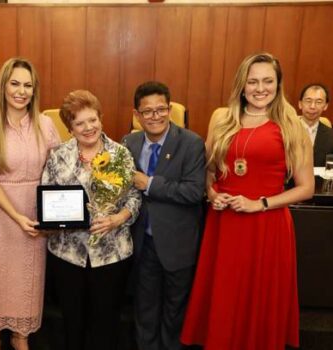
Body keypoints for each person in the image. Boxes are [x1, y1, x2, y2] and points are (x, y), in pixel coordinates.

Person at [181, 52, 314, 350]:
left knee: (260, 299)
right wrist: (213, 193)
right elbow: (209, 171)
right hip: (225, 223)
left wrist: (260, 203)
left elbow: (306, 188)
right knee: (226, 297)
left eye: (268, 81)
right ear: (242, 85)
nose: (260, 88)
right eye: (252, 81)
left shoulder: (292, 125)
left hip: (268, 225)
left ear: (279, 84)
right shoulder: (222, 118)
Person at [0, 57, 60, 350]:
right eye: (15, 83)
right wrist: (17, 217)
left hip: (33, 221)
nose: (21, 91)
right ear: (3, 86)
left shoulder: (46, 125)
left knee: (24, 294)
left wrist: (52, 218)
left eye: (28, 85)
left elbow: (60, 172)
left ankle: (21, 341)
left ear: (35, 90)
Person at [41, 90, 141, 350]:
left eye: (92, 120)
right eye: (79, 123)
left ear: (101, 119)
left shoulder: (121, 154)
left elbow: (134, 197)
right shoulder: (58, 156)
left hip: (112, 254)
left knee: (105, 323)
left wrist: (117, 219)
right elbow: (46, 198)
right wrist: (52, 222)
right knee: (72, 322)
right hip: (68, 255)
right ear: (70, 128)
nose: (88, 128)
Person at [122, 81, 206, 350]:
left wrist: (149, 184)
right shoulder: (129, 143)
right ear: (137, 115)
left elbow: (194, 192)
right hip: (142, 244)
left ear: (170, 110)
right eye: (147, 111)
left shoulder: (191, 143)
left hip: (178, 245)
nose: (155, 116)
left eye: (161, 110)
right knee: (144, 311)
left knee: (174, 314)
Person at [298, 83, 333, 167]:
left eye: (318, 102)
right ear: (300, 104)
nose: (312, 106)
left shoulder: (331, 136)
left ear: (325, 106)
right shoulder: (285, 131)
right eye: (308, 101)